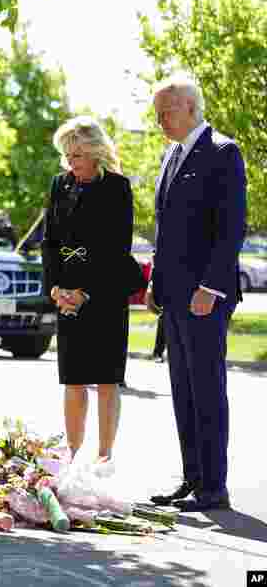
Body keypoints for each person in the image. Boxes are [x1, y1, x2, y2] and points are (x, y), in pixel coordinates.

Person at [147, 74, 246, 512]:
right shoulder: (171, 154)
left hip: (205, 296)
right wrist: (155, 282)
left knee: (206, 390)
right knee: (184, 392)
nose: (159, 121)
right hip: (174, 296)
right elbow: (165, 229)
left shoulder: (222, 152)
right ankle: (193, 478)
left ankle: (214, 487)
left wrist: (210, 286)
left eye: (164, 112)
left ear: (188, 106)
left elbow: (231, 228)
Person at [41, 116, 136, 463]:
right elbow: (49, 241)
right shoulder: (59, 185)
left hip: (106, 295)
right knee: (74, 379)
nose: (70, 163)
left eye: (76, 156)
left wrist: (85, 292)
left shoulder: (117, 187)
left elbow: (116, 250)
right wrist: (55, 289)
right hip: (66, 296)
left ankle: (104, 459)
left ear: (94, 152)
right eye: (67, 156)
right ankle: (72, 457)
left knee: (107, 381)